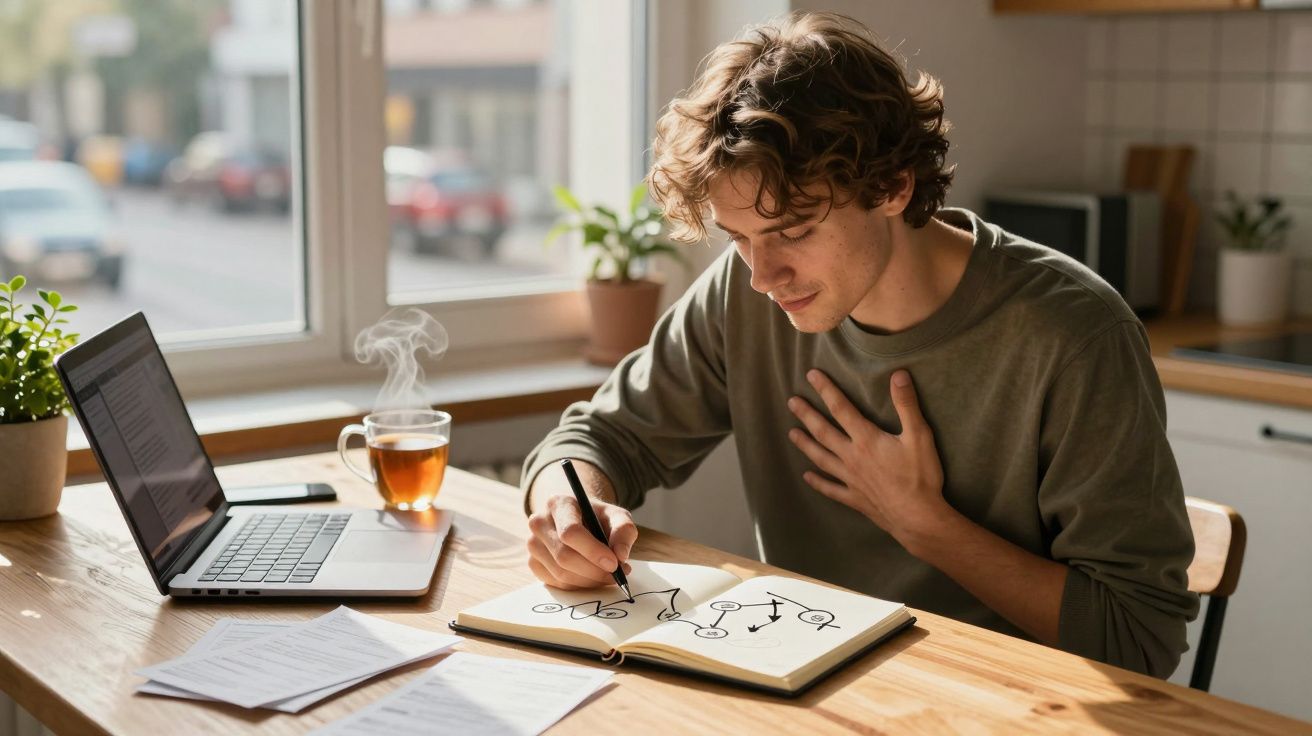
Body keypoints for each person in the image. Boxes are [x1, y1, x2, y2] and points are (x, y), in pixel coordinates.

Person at [521, 11, 1198, 678]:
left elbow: (1136, 638)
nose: (762, 276)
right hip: (807, 687)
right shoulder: (747, 292)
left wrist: (924, 524)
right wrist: (565, 508)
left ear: (892, 187)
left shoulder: (1074, 336)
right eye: (738, 238)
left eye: (791, 231)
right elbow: (601, 439)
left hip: (1003, 704)